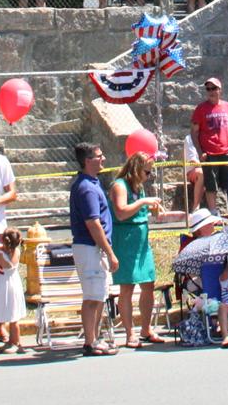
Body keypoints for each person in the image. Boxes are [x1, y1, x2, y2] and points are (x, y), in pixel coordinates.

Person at [109, 151, 165, 347]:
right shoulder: (119, 185)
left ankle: (146, 328)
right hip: (125, 240)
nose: (148, 176)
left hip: (141, 241)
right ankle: (129, 332)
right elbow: (121, 212)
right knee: (127, 286)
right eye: (147, 172)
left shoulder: (138, 187)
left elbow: (138, 211)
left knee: (148, 283)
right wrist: (143, 202)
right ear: (137, 169)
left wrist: (152, 209)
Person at [67, 141, 117, 356]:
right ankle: (90, 341)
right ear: (88, 161)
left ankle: (95, 338)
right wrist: (110, 253)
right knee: (91, 297)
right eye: (98, 156)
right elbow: (93, 224)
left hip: (94, 248)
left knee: (98, 295)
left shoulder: (93, 183)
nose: (103, 158)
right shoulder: (86, 188)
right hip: (90, 248)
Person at [191, 77, 228, 214]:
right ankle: (213, 212)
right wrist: (200, 151)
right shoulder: (201, 109)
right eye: (208, 89)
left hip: (226, 151)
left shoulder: (227, 106)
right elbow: (194, 132)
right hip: (209, 153)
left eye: (214, 88)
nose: (211, 91)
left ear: (220, 90)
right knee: (211, 185)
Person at [0, 229, 27, 353]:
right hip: (13, 283)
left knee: (13, 316)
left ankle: (17, 342)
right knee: (12, 313)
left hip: (7, 285)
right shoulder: (15, 250)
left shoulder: (1, 255)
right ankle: (11, 341)